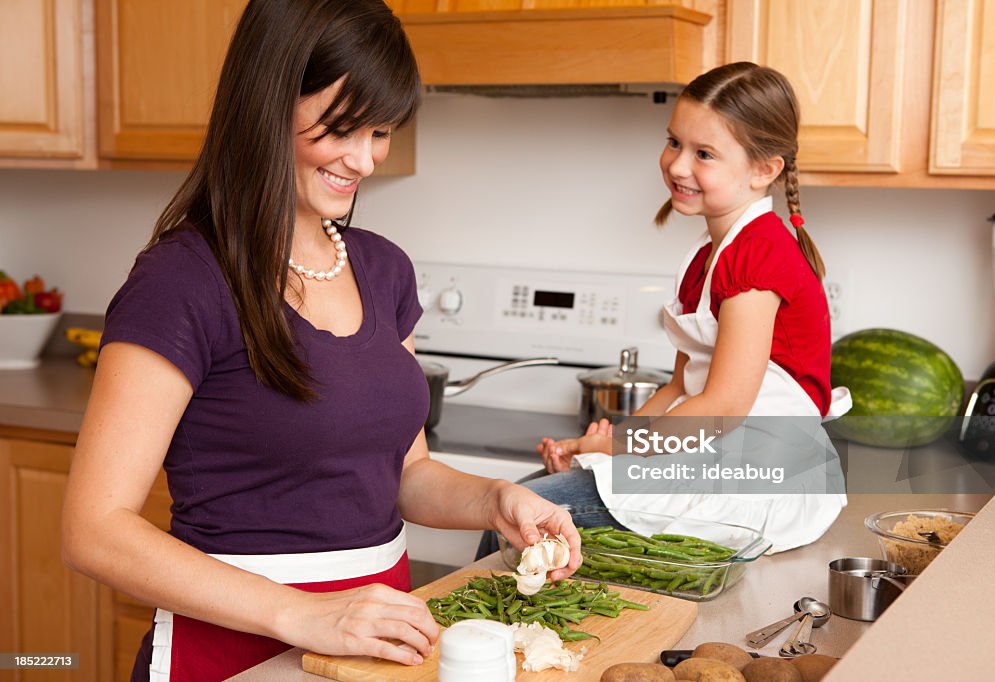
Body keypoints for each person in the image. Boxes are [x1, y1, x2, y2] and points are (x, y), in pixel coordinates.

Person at [60, 2, 580, 680]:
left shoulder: (383, 268)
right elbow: (93, 529)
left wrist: (495, 499)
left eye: (381, 131)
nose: (363, 159)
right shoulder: (181, 281)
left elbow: (404, 473)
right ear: (269, 100)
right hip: (230, 650)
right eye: (342, 128)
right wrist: (303, 614)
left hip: (377, 645)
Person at [490, 62, 853, 558]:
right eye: (674, 142)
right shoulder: (709, 256)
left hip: (756, 477)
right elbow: (682, 387)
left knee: (510, 521)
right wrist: (606, 446)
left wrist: (617, 452)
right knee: (513, 503)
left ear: (764, 169)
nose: (678, 165)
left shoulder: (759, 256)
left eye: (703, 153)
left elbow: (722, 409)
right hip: (715, 457)